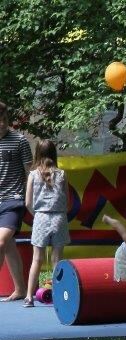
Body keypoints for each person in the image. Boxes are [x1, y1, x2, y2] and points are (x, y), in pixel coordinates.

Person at [21, 140, 70, 307]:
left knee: (37, 259)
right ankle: (57, 294)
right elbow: (68, 202)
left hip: (41, 217)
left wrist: (38, 215)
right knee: (57, 259)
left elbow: (28, 202)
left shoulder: (33, 175)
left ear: (37, 154)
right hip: (59, 218)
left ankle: (29, 297)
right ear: (54, 154)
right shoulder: (62, 174)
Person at [0, 101, 33, 301]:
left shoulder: (20, 141)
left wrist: (30, 198)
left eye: (4, 120)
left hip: (13, 200)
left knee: (1, 241)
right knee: (9, 245)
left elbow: (31, 172)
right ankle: (20, 289)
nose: (2, 124)